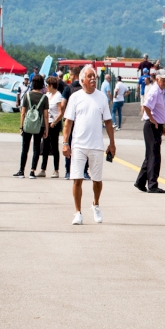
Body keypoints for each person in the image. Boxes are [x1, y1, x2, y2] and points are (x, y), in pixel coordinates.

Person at [62, 65, 116, 225]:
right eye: (90, 76)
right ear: (82, 80)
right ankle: (77, 212)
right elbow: (68, 123)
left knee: (97, 180)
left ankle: (95, 204)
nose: (93, 79)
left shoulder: (101, 98)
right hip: (78, 144)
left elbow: (108, 121)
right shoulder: (75, 97)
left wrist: (112, 143)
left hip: (96, 145)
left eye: (95, 76)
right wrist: (65, 143)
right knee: (77, 179)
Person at [135, 69, 165, 193]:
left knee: (150, 155)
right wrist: (153, 120)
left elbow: (160, 110)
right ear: (157, 79)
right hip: (152, 126)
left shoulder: (160, 91)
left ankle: (140, 181)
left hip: (157, 125)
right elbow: (146, 106)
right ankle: (152, 184)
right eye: (163, 80)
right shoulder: (155, 91)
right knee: (154, 155)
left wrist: (162, 125)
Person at [15, 74, 50, 178]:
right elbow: (46, 115)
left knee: (25, 148)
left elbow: (22, 112)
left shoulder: (27, 95)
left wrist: (21, 126)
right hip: (39, 126)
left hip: (27, 125)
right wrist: (46, 129)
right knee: (36, 148)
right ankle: (32, 171)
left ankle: (21, 170)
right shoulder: (45, 98)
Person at [61, 66, 83, 179]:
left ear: (73, 75)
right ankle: (84, 171)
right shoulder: (84, 88)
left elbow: (63, 104)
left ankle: (68, 171)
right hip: (82, 121)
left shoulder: (68, 88)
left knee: (69, 144)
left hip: (71, 120)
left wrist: (64, 114)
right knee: (83, 145)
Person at [40, 76, 65, 178]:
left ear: (51, 85)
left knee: (54, 146)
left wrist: (55, 122)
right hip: (47, 122)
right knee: (45, 146)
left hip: (54, 124)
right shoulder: (47, 95)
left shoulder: (58, 96)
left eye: (47, 85)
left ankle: (56, 170)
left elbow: (61, 112)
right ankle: (43, 169)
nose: (46, 87)